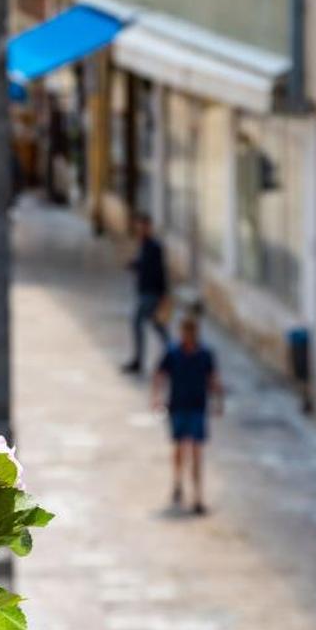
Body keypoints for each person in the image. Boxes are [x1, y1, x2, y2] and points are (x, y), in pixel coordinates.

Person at [152, 310, 224, 516]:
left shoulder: (205, 354)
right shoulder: (172, 353)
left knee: (196, 452)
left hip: (197, 407)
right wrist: (156, 398)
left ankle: (197, 496)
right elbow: (159, 374)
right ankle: (177, 483)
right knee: (179, 448)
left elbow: (213, 378)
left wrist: (218, 400)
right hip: (178, 406)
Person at [123, 212, 170, 374]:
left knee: (137, 322)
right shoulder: (143, 245)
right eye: (139, 226)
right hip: (144, 291)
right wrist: (133, 265)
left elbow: (160, 271)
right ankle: (173, 354)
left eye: (144, 226)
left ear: (149, 227)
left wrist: (164, 294)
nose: (141, 229)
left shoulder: (154, 247)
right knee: (159, 327)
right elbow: (143, 265)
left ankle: (139, 361)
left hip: (151, 293)